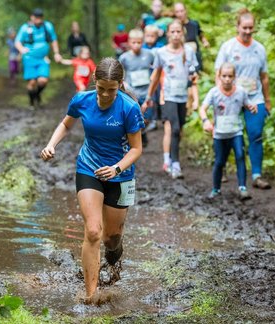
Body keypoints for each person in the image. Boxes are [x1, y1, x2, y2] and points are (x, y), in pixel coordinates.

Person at [40, 57, 144, 305]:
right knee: (94, 231)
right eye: (101, 88)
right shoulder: (81, 100)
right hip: (89, 168)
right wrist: (51, 144)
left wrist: (117, 168)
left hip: (121, 175)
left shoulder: (129, 108)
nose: (106, 95)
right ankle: (91, 294)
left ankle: (114, 254)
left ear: (120, 85)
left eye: (112, 89)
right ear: (94, 82)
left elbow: (136, 149)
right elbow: (66, 124)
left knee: (111, 239)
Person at [214, 8, 272, 189]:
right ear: (237, 27)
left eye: (250, 28)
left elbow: (264, 77)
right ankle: (221, 166)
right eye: (244, 28)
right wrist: (220, 95)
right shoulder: (228, 47)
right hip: (231, 97)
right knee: (225, 133)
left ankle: (256, 175)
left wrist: (268, 100)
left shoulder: (259, 49)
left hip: (254, 97)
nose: (247, 31)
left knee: (255, 135)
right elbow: (218, 73)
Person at [143, 19, 199, 179]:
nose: (175, 35)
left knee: (179, 129)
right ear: (168, 34)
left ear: (183, 33)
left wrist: (195, 98)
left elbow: (193, 76)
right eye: (172, 32)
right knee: (173, 128)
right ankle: (175, 164)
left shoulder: (188, 51)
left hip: (182, 96)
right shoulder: (161, 52)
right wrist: (149, 96)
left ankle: (171, 158)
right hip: (168, 96)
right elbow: (155, 76)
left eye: (178, 31)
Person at [199, 62, 256, 200]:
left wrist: (252, 107)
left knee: (240, 156)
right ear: (219, 76)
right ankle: (216, 189)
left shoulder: (241, 91)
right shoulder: (214, 92)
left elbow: (248, 104)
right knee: (219, 161)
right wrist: (205, 121)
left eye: (230, 76)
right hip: (219, 134)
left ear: (234, 77)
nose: (227, 79)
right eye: (224, 76)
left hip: (236, 132)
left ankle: (242, 188)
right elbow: (202, 109)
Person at [15, 8, 62, 109]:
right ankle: (32, 103)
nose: (38, 20)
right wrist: (22, 49)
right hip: (29, 58)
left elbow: (53, 40)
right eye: (36, 18)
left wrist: (56, 53)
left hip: (43, 59)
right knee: (32, 82)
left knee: (43, 81)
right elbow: (17, 41)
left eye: (40, 18)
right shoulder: (25, 28)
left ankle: (37, 94)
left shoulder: (47, 26)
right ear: (32, 17)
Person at [119, 29, 155, 147]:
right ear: (129, 42)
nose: (136, 45)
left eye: (139, 42)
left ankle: (142, 133)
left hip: (146, 92)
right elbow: (119, 72)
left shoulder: (149, 55)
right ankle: (135, 141)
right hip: (132, 93)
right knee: (134, 117)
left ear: (142, 42)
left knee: (147, 118)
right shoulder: (124, 57)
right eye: (134, 42)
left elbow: (157, 68)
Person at [173, 2, 210, 72]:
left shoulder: (194, 24)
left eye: (181, 11)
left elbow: (200, 34)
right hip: (180, 58)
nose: (180, 14)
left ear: (185, 11)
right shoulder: (174, 27)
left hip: (195, 57)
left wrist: (205, 42)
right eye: (177, 12)